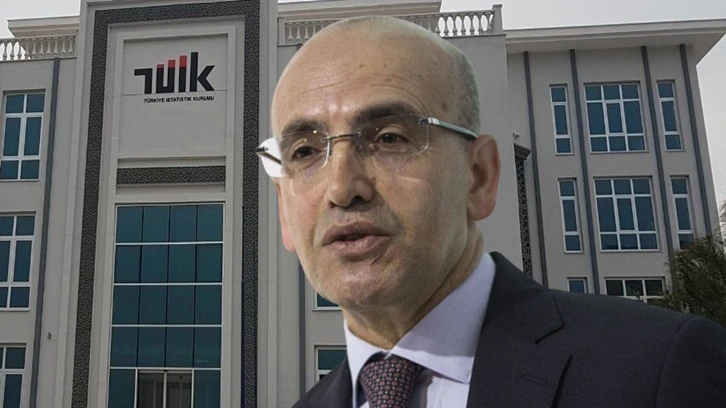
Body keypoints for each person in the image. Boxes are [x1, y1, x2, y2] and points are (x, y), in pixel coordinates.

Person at [255, 15, 726, 408]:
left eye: (389, 138)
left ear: (479, 176)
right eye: (304, 152)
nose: (342, 189)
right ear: (284, 212)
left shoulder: (659, 370)